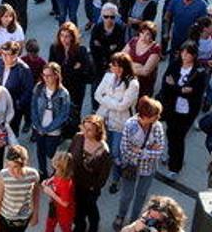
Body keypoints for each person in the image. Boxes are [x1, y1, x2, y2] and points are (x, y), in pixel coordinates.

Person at [113, 97, 166, 231]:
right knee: (127, 195)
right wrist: (150, 150)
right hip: (131, 168)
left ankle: (135, 220)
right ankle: (121, 215)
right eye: (155, 115)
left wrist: (140, 151)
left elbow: (159, 152)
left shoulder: (157, 126)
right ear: (145, 116)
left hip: (148, 169)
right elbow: (125, 150)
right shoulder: (130, 125)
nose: (158, 118)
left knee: (141, 195)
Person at [159, 42, 207, 178]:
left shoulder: (199, 72)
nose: (184, 56)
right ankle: (171, 156)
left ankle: (175, 167)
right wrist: (181, 90)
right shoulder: (175, 65)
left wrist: (175, 88)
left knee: (178, 138)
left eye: (188, 53)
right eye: (183, 52)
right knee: (170, 133)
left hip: (187, 111)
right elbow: (165, 86)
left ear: (194, 55)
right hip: (171, 108)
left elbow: (196, 92)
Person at [95, 52, 140, 190]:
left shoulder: (133, 84)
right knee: (103, 150)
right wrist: (113, 101)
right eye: (114, 66)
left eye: (120, 66)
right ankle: (104, 173)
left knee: (116, 152)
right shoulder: (108, 76)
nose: (117, 69)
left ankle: (116, 178)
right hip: (104, 120)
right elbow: (97, 94)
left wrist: (106, 99)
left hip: (120, 124)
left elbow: (122, 107)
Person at [70, 115, 112, 232]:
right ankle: (80, 226)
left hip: (90, 188)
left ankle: (94, 225)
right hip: (75, 182)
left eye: (89, 130)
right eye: (84, 128)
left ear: (98, 131)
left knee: (89, 207)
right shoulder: (78, 137)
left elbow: (103, 176)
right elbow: (69, 156)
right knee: (78, 208)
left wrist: (94, 189)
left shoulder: (104, 151)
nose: (85, 132)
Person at [31, 62, 70, 178]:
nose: (46, 78)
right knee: (40, 151)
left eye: (49, 75)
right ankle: (42, 171)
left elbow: (63, 115)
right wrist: (38, 126)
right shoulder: (39, 88)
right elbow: (33, 107)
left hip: (53, 130)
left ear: (56, 75)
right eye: (44, 75)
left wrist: (48, 129)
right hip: (39, 127)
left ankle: (55, 171)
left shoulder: (63, 93)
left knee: (51, 151)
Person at [0, 145, 40, 232]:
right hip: (5, 218)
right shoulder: (4, 175)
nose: (10, 170)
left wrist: (35, 214)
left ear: (23, 164)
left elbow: (36, 195)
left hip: (23, 219)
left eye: (15, 167)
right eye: (8, 165)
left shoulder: (33, 175)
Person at [41, 151, 75, 232]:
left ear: (61, 167)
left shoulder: (66, 184)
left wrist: (51, 193)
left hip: (64, 213)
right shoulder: (59, 173)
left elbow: (65, 203)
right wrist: (49, 180)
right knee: (49, 226)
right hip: (54, 207)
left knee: (65, 228)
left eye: (55, 164)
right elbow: (55, 176)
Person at [119, 196, 186, 232]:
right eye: (150, 215)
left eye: (156, 220)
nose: (150, 221)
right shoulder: (145, 220)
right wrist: (133, 228)